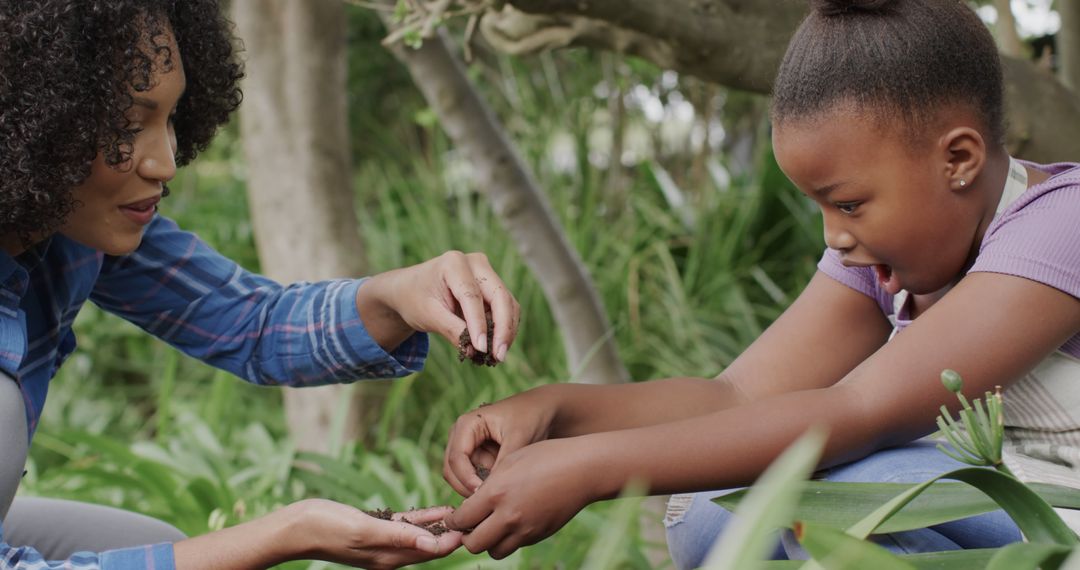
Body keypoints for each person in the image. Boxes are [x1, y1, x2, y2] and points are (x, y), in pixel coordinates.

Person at [439, 0, 1080, 566]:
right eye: (821, 209)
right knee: (714, 515)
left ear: (958, 159)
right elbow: (738, 394)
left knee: (844, 493)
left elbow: (860, 411)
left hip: (1063, 506)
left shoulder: (1062, 222)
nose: (834, 236)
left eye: (849, 204)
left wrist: (590, 471)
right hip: (1005, 496)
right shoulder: (892, 256)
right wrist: (558, 414)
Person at [0, 1, 520, 568]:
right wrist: (286, 533)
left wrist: (400, 295)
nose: (165, 163)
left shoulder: (72, 227)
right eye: (129, 126)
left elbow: (253, 324)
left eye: (170, 120)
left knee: (151, 534)